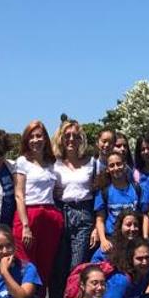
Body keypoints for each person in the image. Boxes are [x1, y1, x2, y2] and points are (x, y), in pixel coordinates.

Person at [11, 120, 63, 298]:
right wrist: (25, 225)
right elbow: (19, 194)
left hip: (49, 217)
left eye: (39, 136)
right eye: (32, 136)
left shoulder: (52, 163)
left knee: (44, 269)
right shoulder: (22, 162)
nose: (36, 140)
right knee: (27, 267)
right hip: (29, 217)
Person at [54, 119, 99, 288]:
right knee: (58, 266)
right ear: (61, 139)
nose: (71, 139)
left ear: (81, 139)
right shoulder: (54, 163)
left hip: (83, 213)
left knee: (77, 266)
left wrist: (96, 225)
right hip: (60, 212)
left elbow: (97, 194)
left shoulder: (91, 163)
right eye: (67, 136)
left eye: (75, 136)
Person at [94, 152, 146, 255]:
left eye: (119, 164)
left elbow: (144, 215)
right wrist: (103, 240)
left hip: (134, 239)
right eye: (112, 165)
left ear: (125, 165)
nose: (116, 168)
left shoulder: (136, 188)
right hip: (112, 239)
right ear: (107, 169)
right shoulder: (104, 191)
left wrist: (144, 239)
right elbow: (100, 219)